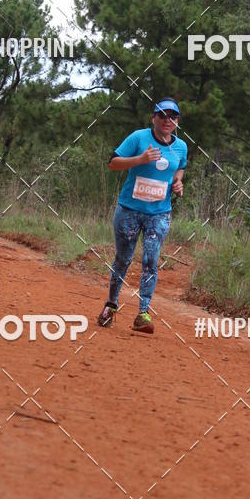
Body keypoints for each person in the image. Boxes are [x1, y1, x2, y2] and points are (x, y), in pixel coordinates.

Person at [97, 98, 187, 334]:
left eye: (173, 117)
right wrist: (140, 160)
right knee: (123, 259)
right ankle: (111, 305)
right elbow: (113, 163)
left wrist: (178, 183)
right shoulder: (138, 138)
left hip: (159, 213)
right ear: (153, 117)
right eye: (162, 115)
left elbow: (180, 167)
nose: (167, 120)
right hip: (129, 211)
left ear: (177, 121)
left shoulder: (181, 146)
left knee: (150, 260)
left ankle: (143, 314)